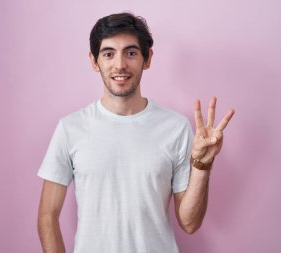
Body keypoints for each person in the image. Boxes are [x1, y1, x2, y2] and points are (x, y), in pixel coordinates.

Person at [37, 12, 235, 253]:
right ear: (94, 61)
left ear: (147, 58)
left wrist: (203, 166)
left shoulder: (176, 128)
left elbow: (190, 223)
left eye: (131, 53)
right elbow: (47, 216)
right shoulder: (70, 128)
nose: (120, 64)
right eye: (108, 54)